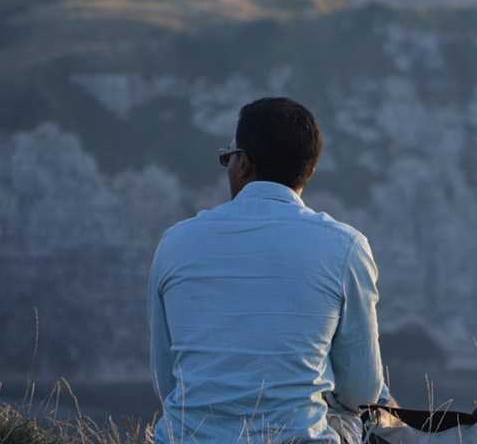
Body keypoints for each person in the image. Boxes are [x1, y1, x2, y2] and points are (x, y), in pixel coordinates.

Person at [148, 97, 390, 444]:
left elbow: (166, 381)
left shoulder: (174, 243)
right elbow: (362, 392)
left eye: (227, 156)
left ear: (243, 162)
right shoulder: (346, 247)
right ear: (309, 171)